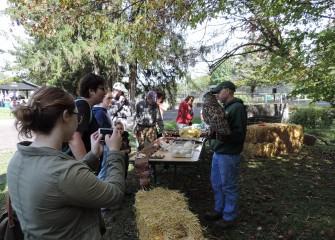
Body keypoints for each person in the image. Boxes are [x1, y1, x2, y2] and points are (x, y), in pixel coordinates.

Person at [7, 86, 125, 239]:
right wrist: (115, 151)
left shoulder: (17, 159)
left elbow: (64, 186)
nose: (79, 120)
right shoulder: (62, 172)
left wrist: (93, 155)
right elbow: (115, 194)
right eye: (78, 116)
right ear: (66, 116)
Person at [204, 81, 247, 228]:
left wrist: (222, 136)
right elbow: (221, 129)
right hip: (219, 152)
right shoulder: (225, 108)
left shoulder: (237, 108)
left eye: (219, 91)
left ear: (227, 91)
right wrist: (213, 133)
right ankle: (219, 209)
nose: (216, 94)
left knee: (229, 186)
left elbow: (239, 135)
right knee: (217, 183)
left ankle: (229, 216)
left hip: (228, 154)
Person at [68, 73, 106, 161]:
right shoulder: (82, 105)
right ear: (91, 91)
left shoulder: (85, 107)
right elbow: (74, 138)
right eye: (102, 89)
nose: (105, 93)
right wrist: (86, 168)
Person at [92, 92, 113, 180]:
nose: (111, 100)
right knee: (103, 171)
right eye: (108, 98)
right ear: (101, 99)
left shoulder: (104, 111)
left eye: (112, 98)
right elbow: (98, 133)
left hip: (106, 145)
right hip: (103, 146)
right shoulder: (99, 113)